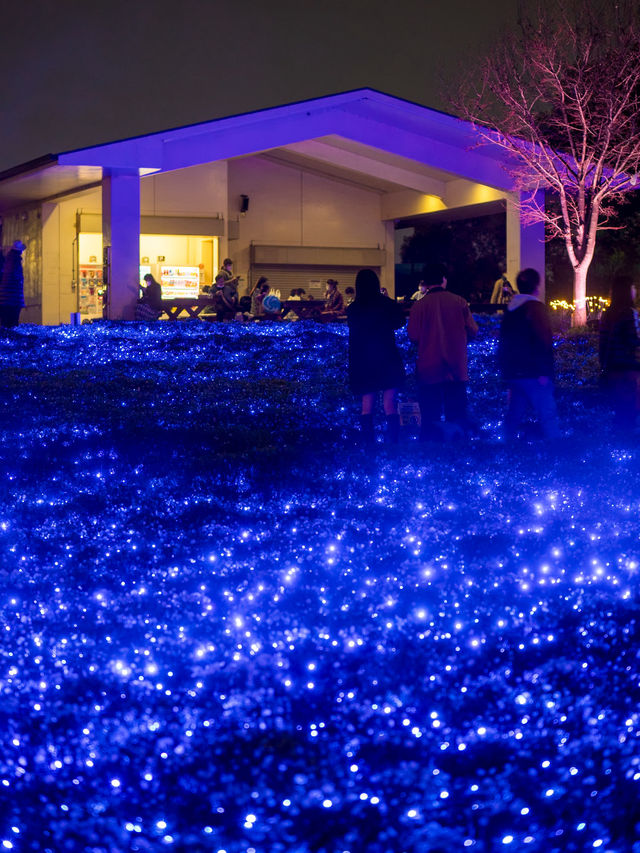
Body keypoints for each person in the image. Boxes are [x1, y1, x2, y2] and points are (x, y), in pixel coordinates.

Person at [407, 263, 478, 440]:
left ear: (426, 283)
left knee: (431, 417)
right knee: (456, 417)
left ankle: (432, 456)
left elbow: (413, 335)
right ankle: (457, 456)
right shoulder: (459, 302)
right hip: (455, 367)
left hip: (429, 367)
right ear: (443, 280)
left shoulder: (419, 306)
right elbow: (473, 330)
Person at [498, 267, 560, 439]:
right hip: (534, 373)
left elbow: (504, 342)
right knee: (548, 415)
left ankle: (505, 452)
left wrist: (506, 370)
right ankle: (558, 455)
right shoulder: (535, 308)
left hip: (514, 373)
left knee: (513, 416)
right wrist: (544, 371)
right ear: (536, 286)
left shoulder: (510, 310)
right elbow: (543, 341)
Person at [347, 268, 406, 443]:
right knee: (390, 403)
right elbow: (400, 321)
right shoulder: (387, 305)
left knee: (367, 405)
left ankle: (369, 446)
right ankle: (393, 445)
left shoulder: (353, 309)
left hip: (364, 361)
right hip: (387, 357)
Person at [599, 273, 640, 430]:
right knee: (631, 410)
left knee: (619, 411)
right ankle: (630, 448)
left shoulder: (607, 313)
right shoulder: (629, 312)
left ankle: (617, 446)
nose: (635, 290)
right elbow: (633, 340)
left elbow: (602, 344)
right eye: (633, 287)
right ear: (627, 290)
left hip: (612, 369)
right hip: (629, 370)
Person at [0, 240, 26, 328]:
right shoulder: (15, 260)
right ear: (19, 250)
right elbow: (16, 277)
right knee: (12, 324)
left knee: (6, 323)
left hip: (6, 299)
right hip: (12, 299)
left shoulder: (8, 259)